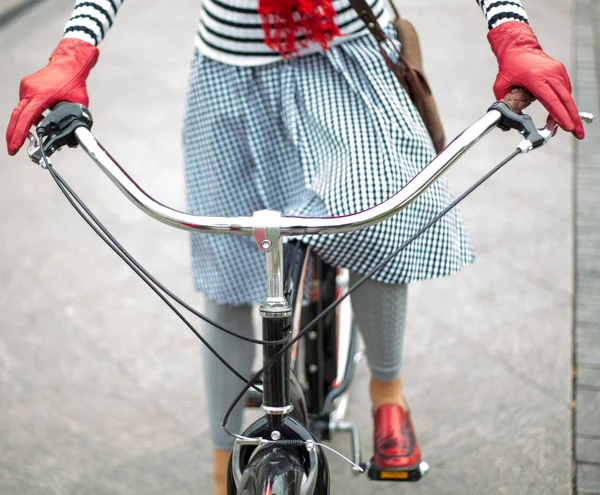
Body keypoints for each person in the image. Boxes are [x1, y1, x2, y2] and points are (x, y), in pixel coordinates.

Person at [6, 0, 585, 493]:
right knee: (227, 274)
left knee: (380, 219)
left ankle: (388, 390)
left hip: (346, 64)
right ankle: (222, 457)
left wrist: (512, 31)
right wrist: (73, 50)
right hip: (228, 78)